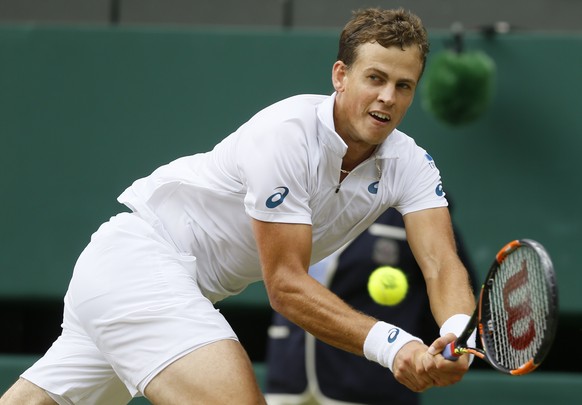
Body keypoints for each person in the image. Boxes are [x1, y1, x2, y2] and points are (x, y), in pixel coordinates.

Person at [0, 7, 475, 405]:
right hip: (141, 262)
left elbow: (441, 263)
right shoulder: (286, 136)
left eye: (404, 85)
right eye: (375, 78)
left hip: (145, 282)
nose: (387, 97)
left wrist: (456, 334)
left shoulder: (411, 163)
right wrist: (393, 346)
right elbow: (286, 286)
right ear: (340, 76)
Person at [264, 207, 477, 405]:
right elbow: (284, 283)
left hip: (372, 387)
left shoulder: (413, 203)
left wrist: (443, 341)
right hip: (289, 379)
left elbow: (444, 275)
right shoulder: (300, 196)